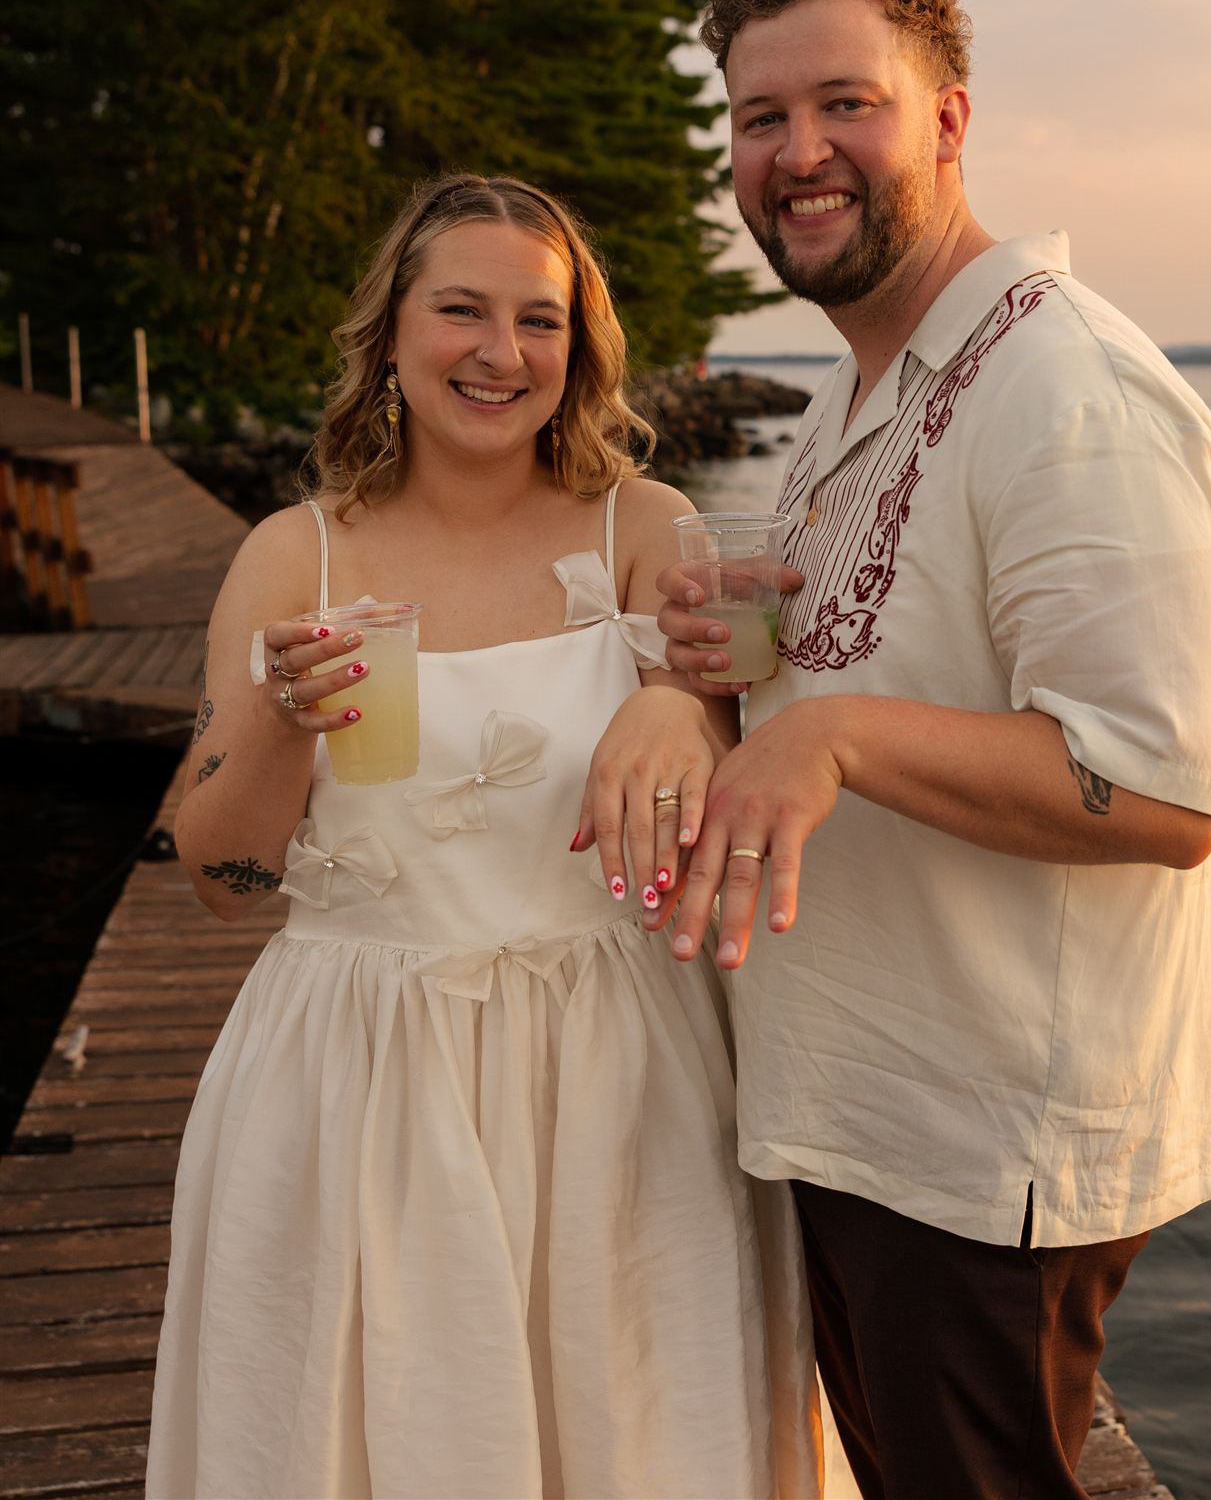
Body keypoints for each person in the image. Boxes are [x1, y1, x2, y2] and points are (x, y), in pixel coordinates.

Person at [637, 0, 1211, 1499]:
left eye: (847, 102)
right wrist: (755, 656)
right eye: (761, 118)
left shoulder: (1069, 386)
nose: (799, 152)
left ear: (949, 120)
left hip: (986, 1147)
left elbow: (1164, 791)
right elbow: (903, 652)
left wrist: (830, 733)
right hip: (867, 1111)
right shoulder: (861, 389)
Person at [147, 174, 820, 1500]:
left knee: (635, 1427)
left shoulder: (647, 527)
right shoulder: (294, 557)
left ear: (580, 348)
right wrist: (281, 717)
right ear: (392, 333)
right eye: (461, 310)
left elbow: (714, 762)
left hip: (618, 1071)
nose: (501, 352)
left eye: (539, 320)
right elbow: (223, 881)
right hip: (359, 1073)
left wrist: (682, 705)